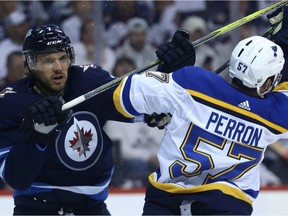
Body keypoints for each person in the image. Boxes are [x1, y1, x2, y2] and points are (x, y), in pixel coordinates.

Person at [0, 24, 195, 215]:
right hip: (35, 208)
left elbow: (149, 108)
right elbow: (16, 178)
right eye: (48, 61)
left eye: (63, 58)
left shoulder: (89, 81)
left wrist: (170, 78)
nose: (59, 68)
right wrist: (36, 137)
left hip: (91, 208)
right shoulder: (11, 103)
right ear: (29, 65)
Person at [112, 35, 287, 215]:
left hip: (166, 201)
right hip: (226, 206)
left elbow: (122, 97)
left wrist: (167, 76)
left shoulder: (192, 81)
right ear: (266, 82)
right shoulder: (276, 113)